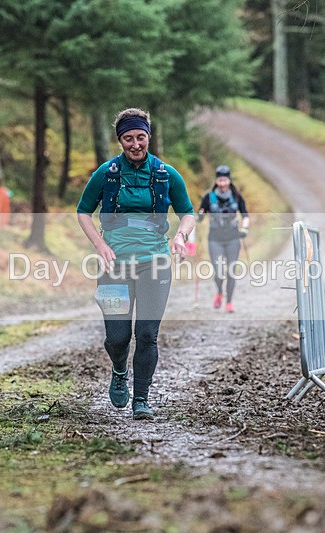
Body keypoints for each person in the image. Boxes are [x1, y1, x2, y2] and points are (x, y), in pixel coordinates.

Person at [77, 108, 195, 421]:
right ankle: (119, 369)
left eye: (140, 137)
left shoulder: (166, 174)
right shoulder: (107, 172)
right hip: (113, 265)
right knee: (117, 337)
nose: (135, 144)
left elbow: (188, 213)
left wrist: (180, 237)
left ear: (148, 137)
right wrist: (100, 244)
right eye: (128, 138)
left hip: (155, 263)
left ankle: (141, 399)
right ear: (120, 141)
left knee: (147, 334)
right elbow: (82, 212)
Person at [197, 165, 249, 313]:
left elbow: (245, 216)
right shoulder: (209, 197)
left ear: (229, 180)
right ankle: (219, 291)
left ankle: (229, 302)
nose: (222, 184)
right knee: (218, 270)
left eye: (225, 180)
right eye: (220, 180)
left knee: (231, 271)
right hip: (215, 239)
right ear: (216, 180)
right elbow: (200, 214)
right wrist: (199, 216)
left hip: (233, 238)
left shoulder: (237, 196)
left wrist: (245, 228)